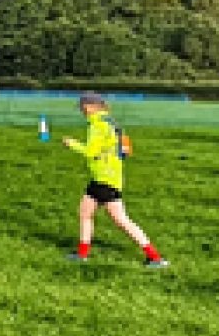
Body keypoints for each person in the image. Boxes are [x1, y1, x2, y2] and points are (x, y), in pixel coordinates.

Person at [63, 93, 167, 268]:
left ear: (90, 106)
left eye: (82, 107)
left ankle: (155, 258)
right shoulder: (113, 123)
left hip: (105, 178)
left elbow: (91, 152)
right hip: (107, 176)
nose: (82, 111)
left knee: (120, 220)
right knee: (85, 212)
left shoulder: (97, 125)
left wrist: (71, 143)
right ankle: (82, 254)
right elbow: (126, 150)